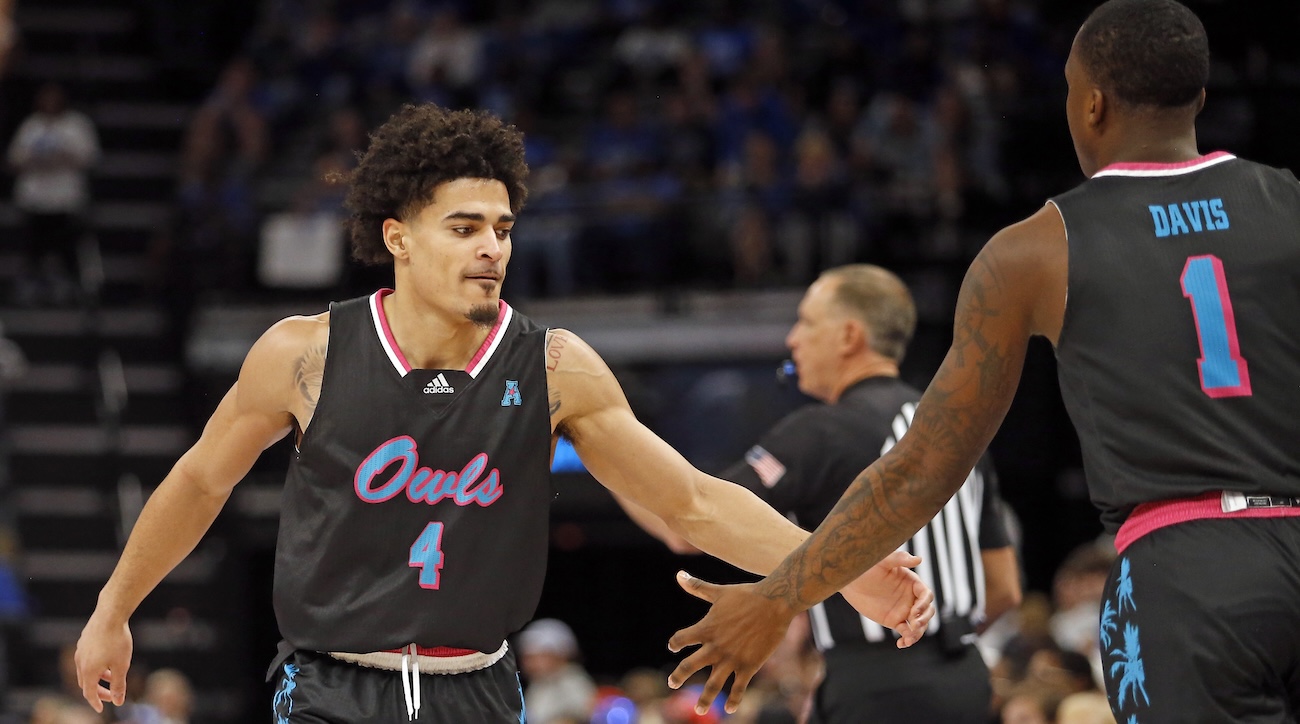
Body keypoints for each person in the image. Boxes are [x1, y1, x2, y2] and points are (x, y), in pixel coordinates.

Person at [73, 103, 934, 722]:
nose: (492, 247)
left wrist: (844, 567)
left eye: (503, 227)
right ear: (398, 237)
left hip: (480, 688)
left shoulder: (555, 365)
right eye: (464, 228)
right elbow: (200, 483)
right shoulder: (306, 353)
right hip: (331, 685)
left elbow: (693, 503)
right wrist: (114, 609)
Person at [665, 1, 1300, 722]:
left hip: (1186, 572)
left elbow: (922, 468)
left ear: (1091, 104)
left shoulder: (1036, 249)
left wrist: (779, 596)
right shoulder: (1287, 201)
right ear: (1200, 99)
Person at [716, 264, 1022, 723]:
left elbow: (694, 518)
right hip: (966, 677)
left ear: (849, 336)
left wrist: (611, 446)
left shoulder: (819, 432)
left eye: (806, 322)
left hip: (874, 681)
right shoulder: (958, 431)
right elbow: (1005, 589)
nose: (793, 339)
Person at [5, 82, 100, 305]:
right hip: (35, 200)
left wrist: (61, 156)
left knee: (67, 248)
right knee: (34, 250)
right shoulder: (31, 125)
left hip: (66, 200)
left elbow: (90, 158)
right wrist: (38, 158)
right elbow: (13, 160)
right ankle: (32, 288)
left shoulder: (76, 124)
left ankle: (74, 288)